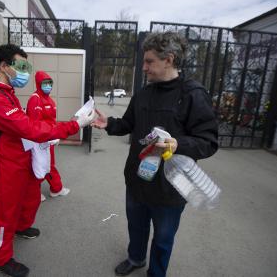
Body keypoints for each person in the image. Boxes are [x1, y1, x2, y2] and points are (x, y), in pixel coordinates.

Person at [92, 32, 218, 277]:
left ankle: (156, 272)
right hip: (138, 178)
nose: (145, 67)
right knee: (136, 227)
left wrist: (177, 144)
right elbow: (128, 123)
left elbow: (208, 141)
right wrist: (108, 123)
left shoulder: (192, 94)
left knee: (163, 237)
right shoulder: (143, 93)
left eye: (149, 61)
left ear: (168, 59)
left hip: (171, 185)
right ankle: (136, 258)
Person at [0, 44, 95, 277]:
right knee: (4, 212)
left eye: (27, 67)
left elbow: (23, 128)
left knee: (29, 198)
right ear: (4, 66)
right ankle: (1, 258)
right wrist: (73, 125)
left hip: (21, 158)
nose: (25, 72)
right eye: (20, 66)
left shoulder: (5, 92)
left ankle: (21, 227)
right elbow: (27, 126)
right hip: (3, 165)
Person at [26, 71, 70, 202]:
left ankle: (56, 188)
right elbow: (34, 124)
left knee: (47, 165)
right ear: (39, 84)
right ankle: (37, 192)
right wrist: (47, 136)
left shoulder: (49, 99)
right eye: (45, 83)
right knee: (38, 165)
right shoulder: (35, 99)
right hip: (39, 140)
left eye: (50, 83)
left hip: (48, 138)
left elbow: (51, 121)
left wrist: (55, 133)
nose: (48, 86)